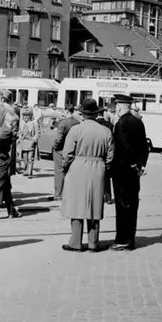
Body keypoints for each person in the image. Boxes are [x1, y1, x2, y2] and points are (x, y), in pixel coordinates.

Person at [61, 98, 114, 252]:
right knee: (95, 206)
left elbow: (67, 153)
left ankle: (75, 242)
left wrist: (66, 167)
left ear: (83, 114)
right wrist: (104, 167)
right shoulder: (106, 131)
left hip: (78, 167)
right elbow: (110, 156)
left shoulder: (76, 130)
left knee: (76, 205)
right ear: (96, 114)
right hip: (98, 168)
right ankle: (93, 243)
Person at [111, 94, 149, 251]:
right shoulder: (138, 122)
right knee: (133, 205)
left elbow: (124, 147)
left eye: (116, 106)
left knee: (122, 206)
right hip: (134, 171)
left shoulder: (121, 123)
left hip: (123, 171)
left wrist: (132, 163)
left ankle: (123, 239)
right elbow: (145, 146)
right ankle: (130, 238)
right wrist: (140, 165)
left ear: (120, 106)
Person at [52, 104, 80, 200]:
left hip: (61, 149)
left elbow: (59, 138)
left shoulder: (62, 123)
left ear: (67, 111)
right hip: (73, 149)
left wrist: (54, 146)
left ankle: (58, 194)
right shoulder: (77, 122)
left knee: (59, 171)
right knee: (70, 171)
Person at [96, 109, 114, 204]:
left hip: (97, 153)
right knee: (106, 177)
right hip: (106, 153)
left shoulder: (95, 124)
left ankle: (98, 197)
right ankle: (108, 197)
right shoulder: (110, 125)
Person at [17, 108, 39, 177]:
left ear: (30, 116)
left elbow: (37, 134)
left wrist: (33, 140)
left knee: (30, 158)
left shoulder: (34, 123)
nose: (25, 117)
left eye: (27, 115)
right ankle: (26, 170)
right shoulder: (22, 124)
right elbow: (20, 132)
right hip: (24, 143)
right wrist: (20, 136)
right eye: (24, 115)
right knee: (25, 159)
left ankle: (30, 173)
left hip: (30, 142)